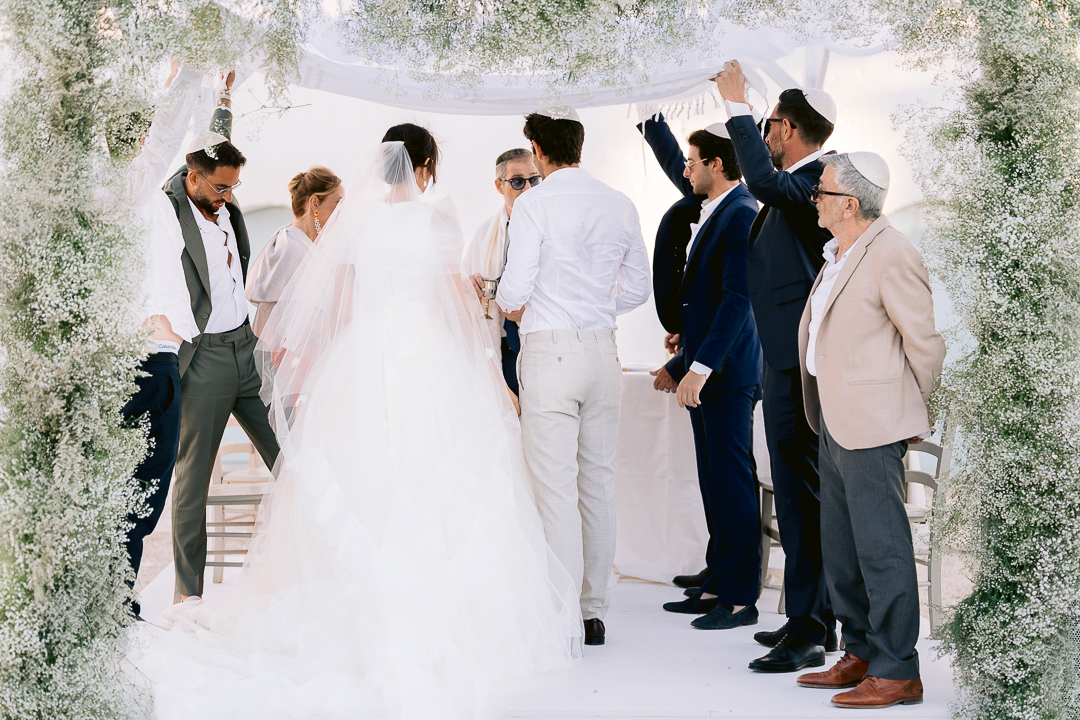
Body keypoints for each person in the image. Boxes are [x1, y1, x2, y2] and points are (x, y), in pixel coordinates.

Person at [132, 127, 583, 719]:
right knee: (433, 478)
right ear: (424, 167)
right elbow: (459, 315)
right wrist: (493, 379)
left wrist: (334, 369)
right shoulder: (437, 221)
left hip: (366, 359)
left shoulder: (357, 224)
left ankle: (347, 586)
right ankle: (432, 605)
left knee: (364, 474)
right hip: (427, 363)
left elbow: (338, 309)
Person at [496, 107, 652, 647]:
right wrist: (592, 302)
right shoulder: (619, 203)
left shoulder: (534, 204)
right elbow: (637, 289)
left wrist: (522, 304)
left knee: (555, 486)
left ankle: (562, 612)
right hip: (602, 352)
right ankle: (594, 611)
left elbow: (514, 291)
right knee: (598, 483)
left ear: (538, 150)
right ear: (579, 145)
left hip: (550, 353)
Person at [795, 152, 944, 708]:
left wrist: (908, 410)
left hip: (873, 422)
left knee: (882, 547)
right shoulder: (838, 252)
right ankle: (859, 651)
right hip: (831, 418)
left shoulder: (892, 253)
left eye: (822, 192)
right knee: (842, 545)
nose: (815, 199)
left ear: (849, 204)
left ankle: (898, 668)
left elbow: (925, 343)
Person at [714, 60, 839, 673]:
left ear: (785, 128)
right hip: (784, 364)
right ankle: (814, 619)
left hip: (795, 368)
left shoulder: (812, 180)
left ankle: (809, 630)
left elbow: (762, 182)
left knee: (799, 496)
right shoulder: (799, 184)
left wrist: (736, 105)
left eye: (766, 126)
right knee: (798, 493)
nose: (762, 137)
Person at [635, 112, 763, 629]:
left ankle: (740, 598)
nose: (684, 171)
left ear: (714, 164)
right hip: (706, 366)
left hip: (728, 374)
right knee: (712, 480)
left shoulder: (740, 213)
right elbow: (705, 302)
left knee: (732, 482)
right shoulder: (714, 207)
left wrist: (700, 367)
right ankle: (716, 582)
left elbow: (736, 301)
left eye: (691, 162)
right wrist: (680, 357)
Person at [163, 77, 281, 605]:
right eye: (220, 188)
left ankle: (320, 567)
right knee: (193, 482)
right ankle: (188, 596)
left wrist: (225, 101)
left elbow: (214, 140)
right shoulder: (171, 207)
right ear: (192, 179)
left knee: (290, 456)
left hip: (246, 350)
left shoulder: (226, 205)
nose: (230, 197)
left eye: (234, 188)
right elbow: (180, 151)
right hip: (204, 359)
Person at [107, 62, 203, 619]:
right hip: (137, 362)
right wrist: (190, 64)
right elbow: (170, 133)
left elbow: (189, 143)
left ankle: (117, 601)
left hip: (161, 357)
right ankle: (113, 604)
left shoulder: (152, 197)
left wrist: (215, 91)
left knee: (149, 489)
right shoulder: (118, 187)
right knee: (136, 491)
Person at [462, 148, 541, 394]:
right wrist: (471, 284)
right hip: (502, 344)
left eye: (534, 180)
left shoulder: (552, 227)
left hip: (540, 342)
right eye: (518, 181)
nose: (528, 189)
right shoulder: (485, 233)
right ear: (499, 186)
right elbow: (465, 280)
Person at [247, 166, 345, 336]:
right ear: (315, 203)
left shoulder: (316, 245)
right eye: (338, 202)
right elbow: (268, 320)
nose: (343, 211)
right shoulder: (289, 246)